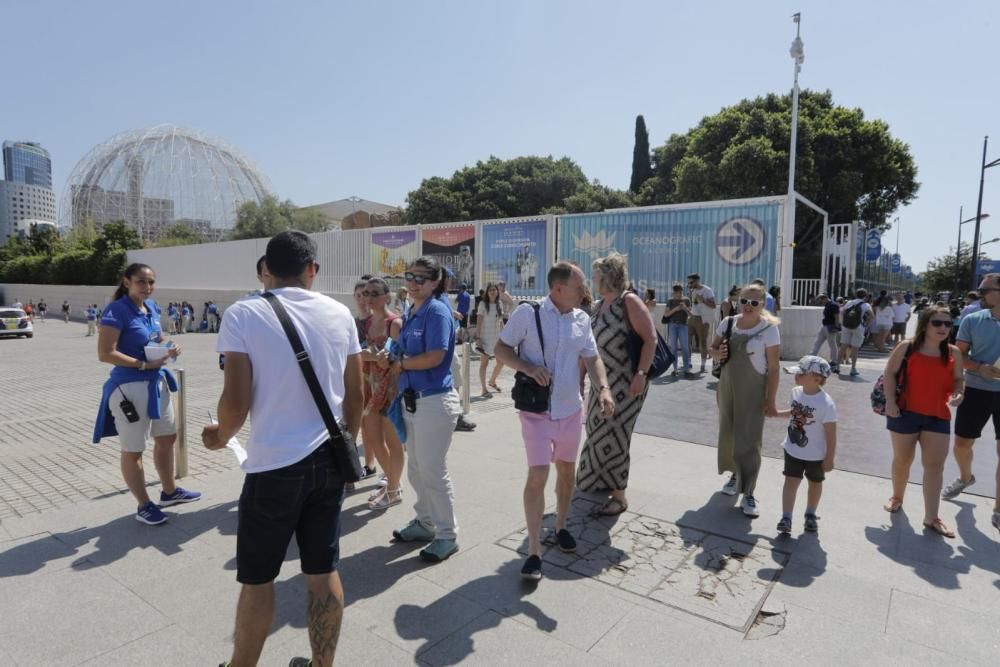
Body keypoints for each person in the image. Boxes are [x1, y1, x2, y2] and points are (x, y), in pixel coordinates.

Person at [204, 230, 362, 667]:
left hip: (273, 464)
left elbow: (235, 401)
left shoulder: (244, 313)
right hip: (330, 460)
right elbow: (356, 397)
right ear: (313, 269)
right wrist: (347, 444)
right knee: (322, 570)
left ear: (267, 269)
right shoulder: (340, 313)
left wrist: (219, 437)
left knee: (258, 579)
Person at [495, 261, 615, 581]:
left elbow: (591, 358)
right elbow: (501, 348)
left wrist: (603, 390)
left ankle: (561, 525)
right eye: (579, 287)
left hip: (571, 411)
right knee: (538, 474)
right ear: (558, 288)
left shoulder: (582, 319)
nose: (585, 292)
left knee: (566, 470)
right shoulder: (527, 313)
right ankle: (534, 550)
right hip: (535, 412)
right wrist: (526, 366)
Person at [92, 263, 196, 526]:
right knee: (133, 448)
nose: (148, 287)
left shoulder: (150, 307)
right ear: (126, 282)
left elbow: (156, 339)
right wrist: (142, 365)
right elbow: (106, 353)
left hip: (156, 382)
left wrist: (169, 347)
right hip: (129, 388)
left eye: (151, 282)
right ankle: (143, 504)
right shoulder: (117, 310)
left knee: (167, 437)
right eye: (142, 282)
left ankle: (170, 493)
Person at [379, 256, 463, 562]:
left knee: (432, 470)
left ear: (435, 282)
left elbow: (436, 356)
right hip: (413, 400)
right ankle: (426, 522)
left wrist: (400, 364)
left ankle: (447, 534)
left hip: (434, 401)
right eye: (409, 276)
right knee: (416, 468)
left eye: (421, 279)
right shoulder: (412, 309)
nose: (413, 283)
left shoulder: (437, 310)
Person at [576, 253, 656, 515]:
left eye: (596, 273)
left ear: (609, 275)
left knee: (617, 434)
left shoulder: (628, 301)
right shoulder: (598, 306)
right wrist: (580, 379)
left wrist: (641, 374)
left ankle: (619, 495)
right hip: (602, 383)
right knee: (595, 428)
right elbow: (587, 348)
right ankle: (597, 480)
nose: (593, 278)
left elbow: (651, 339)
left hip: (627, 381)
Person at [883, 306, 965, 538]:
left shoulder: (953, 353)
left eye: (948, 324)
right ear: (925, 324)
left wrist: (959, 393)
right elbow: (889, 373)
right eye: (937, 323)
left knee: (934, 466)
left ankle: (932, 517)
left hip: (937, 415)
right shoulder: (907, 347)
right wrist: (890, 402)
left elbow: (959, 379)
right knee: (903, 460)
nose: (943, 328)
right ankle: (897, 497)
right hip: (904, 413)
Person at [710, 283, 781, 517]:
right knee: (729, 432)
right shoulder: (728, 323)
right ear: (737, 301)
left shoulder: (769, 329)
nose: (748, 306)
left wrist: (771, 400)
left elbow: (773, 368)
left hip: (753, 389)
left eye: (754, 302)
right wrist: (716, 353)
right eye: (744, 301)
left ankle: (749, 491)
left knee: (749, 437)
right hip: (727, 386)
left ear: (762, 305)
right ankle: (734, 476)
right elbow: (712, 347)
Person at [942, 273, 1000, 532]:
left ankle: (998, 509)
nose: (979, 293)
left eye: (984, 289)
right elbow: (957, 356)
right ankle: (966, 477)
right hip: (976, 390)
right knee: (962, 444)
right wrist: (979, 367)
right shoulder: (973, 319)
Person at [771, 356, 837, 534]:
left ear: (816, 379)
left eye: (801, 373)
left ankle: (810, 514)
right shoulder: (795, 392)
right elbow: (794, 413)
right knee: (791, 481)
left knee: (815, 483)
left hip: (816, 455)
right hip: (793, 449)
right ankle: (786, 517)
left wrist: (829, 457)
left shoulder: (826, 403)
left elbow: (831, 432)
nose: (796, 376)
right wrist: (776, 414)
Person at [360, 277, 406, 511]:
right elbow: (367, 352)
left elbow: (402, 360)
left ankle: (393, 488)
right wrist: (367, 355)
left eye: (374, 293)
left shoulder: (394, 323)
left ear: (387, 297)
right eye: (366, 293)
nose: (368, 298)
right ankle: (392, 483)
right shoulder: (368, 323)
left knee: (393, 442)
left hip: (391, 387)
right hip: (371, 385)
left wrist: (385, 360)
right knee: (373, 440)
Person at [352, 279, 378, 480]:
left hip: (376, 381)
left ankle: (375, 466)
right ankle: (366, 465)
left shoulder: (377, 321)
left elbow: (379, 354)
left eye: (366, 295)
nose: (363, 300)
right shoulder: (351, 322)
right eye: (359, 295)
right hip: (356, 379)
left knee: (373, 427)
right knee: (359, 424)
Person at [475, 283, 505, 396]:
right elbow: (478, 322)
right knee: (484, 363)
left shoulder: (499, 304)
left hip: (497, 338)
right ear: (487, 292)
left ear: (497, 292)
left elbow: (501, 321)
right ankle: (484, 389)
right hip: (485, 338)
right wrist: (478, 338)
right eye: (490, 290)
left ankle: (492, 381)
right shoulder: (483, 304)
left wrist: (506, 335)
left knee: (501, 361)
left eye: (494, 290)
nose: (493, 292)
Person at [839, 288, 873, 376]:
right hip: (858, 327)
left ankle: (837, 366)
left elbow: (841, 312)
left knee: (843, 346)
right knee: (855, 348)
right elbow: (872, 316)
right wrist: (866, 325)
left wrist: (843, 323)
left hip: (846, 326)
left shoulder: (849, 302)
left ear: (855, 294)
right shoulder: (866, 305)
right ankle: (853, 368)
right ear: (865, 296)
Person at [662, 282, 693, 377]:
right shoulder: (670, 301)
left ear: (682, 291)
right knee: (673, 348)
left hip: (683, 325)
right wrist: (675, 309)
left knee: (685, 348)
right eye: (676, 292)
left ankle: (686, 369)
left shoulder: (687, 300)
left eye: (679, 292)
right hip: (673, 325)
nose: (678, 295)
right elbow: (666, 314)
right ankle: (675, 369)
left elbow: (691, 315)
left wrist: (685, 308)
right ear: (673, 292)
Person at [687, 273, 716, 373]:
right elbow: (693, 304)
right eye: (689, 282)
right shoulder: (691, 290)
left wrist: (703, 300)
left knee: (702, 342)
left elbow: (713, 305)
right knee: (687, 341)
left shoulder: (707, 290)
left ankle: (703, 366)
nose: (689, 284)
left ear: (697, 281)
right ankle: (688, 362)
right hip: (692, 317)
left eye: (691, 282)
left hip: (703, 319)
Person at [810, 293, 840, 372]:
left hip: (830, 327)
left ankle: (834, 361)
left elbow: (837, 317)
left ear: (825, 298)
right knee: (817, 342)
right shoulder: (827, 304)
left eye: (821, 300)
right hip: (824, 326)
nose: (820, 302)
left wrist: (836, 327)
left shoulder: (834, 305)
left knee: (832, 344)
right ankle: (811, 356)